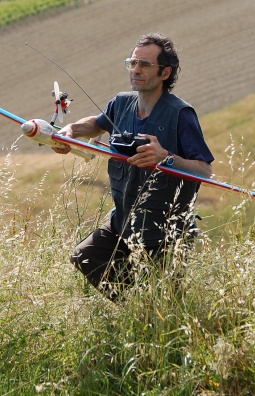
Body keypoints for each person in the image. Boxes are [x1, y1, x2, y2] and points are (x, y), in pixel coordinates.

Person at [53, 33, 214, 300]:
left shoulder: (181, 114)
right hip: (122, 221)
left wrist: (166, 158)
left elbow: (204, 169)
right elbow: (97, 123)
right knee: (85, 257)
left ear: (165, 72)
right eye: (132, 62)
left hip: (164, 234)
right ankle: (136, 310)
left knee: (164, 307)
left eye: (145, 64)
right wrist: (69, 130)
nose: (136, 69)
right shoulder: (122, 103)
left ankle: (147, 315)